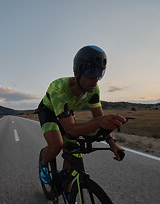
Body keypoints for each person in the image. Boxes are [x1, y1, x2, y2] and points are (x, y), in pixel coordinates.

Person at [37, 45, 126, 193]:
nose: (96, 78)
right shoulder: (58, 88)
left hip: (66, 111)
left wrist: (112, 143)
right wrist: (97, 122)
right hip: (49, 112)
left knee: (73, 150)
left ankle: (67, 191)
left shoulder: (94, 90)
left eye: (100, 73)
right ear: (78, 71)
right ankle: (43, 163)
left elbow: (100, 119)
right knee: (57, 144)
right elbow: (72, 129)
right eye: (92, 71)